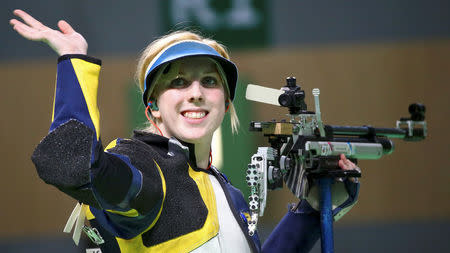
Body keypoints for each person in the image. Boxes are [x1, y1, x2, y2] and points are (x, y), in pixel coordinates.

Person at [10, 9, 360, 253]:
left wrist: (313, 210)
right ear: (153, 108)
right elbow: (71, 164)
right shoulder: (145, 167)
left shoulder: (225, 190)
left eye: (209, 81)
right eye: (178, 82)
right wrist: (74, 61)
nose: (195, 92)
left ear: (225, 105)